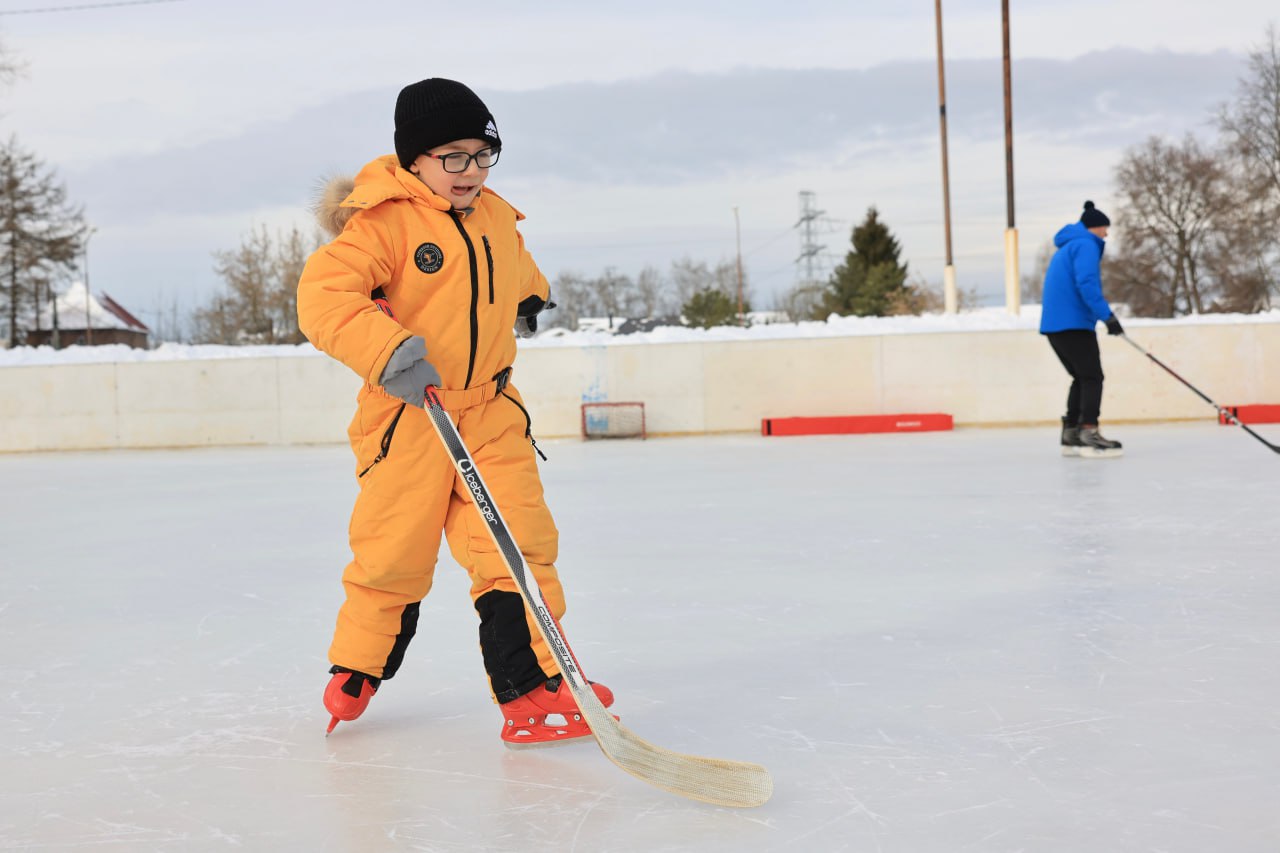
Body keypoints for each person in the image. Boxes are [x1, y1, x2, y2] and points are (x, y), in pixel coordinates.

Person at [296, 78, 613, 745]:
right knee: (394, 553)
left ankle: (537, 685)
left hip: (491, 410)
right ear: (415, 159)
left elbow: (511, 267)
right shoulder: (383, 222)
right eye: (453, 156)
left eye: (481, 154)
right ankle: (358, 665)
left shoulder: (497, 215)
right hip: (410, 413)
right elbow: (324, 297)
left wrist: (531, 297)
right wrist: (388, 349)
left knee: (518, 542)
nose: (470, 171)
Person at [1039, 200, 1125, 458]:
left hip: (1056, 326)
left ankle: (1071, 433)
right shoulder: (1085, 245)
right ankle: (1088, 430)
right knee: (1092, 377)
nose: (1106, 234)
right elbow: (1086, 283)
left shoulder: (1068, 246)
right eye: (1103, 228)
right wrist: (1107, 316)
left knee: (1081, 377)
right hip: (1073, 324)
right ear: (1093, 227)